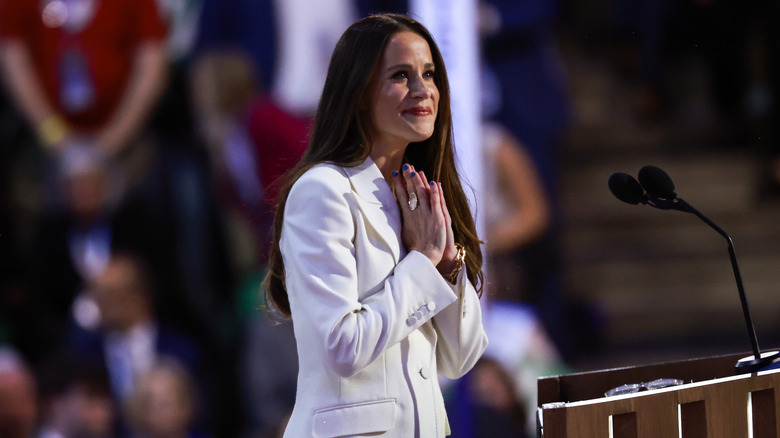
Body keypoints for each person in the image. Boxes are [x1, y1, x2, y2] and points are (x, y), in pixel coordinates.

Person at [264, 13, 489, 437]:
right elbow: (343, 347)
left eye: (429, 73)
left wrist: (447, 266)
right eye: (401, 76)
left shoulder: (422, 194)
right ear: (359, 92)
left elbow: (460, 359)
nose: (423, 91)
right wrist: (422, 262)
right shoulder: (322, 191)